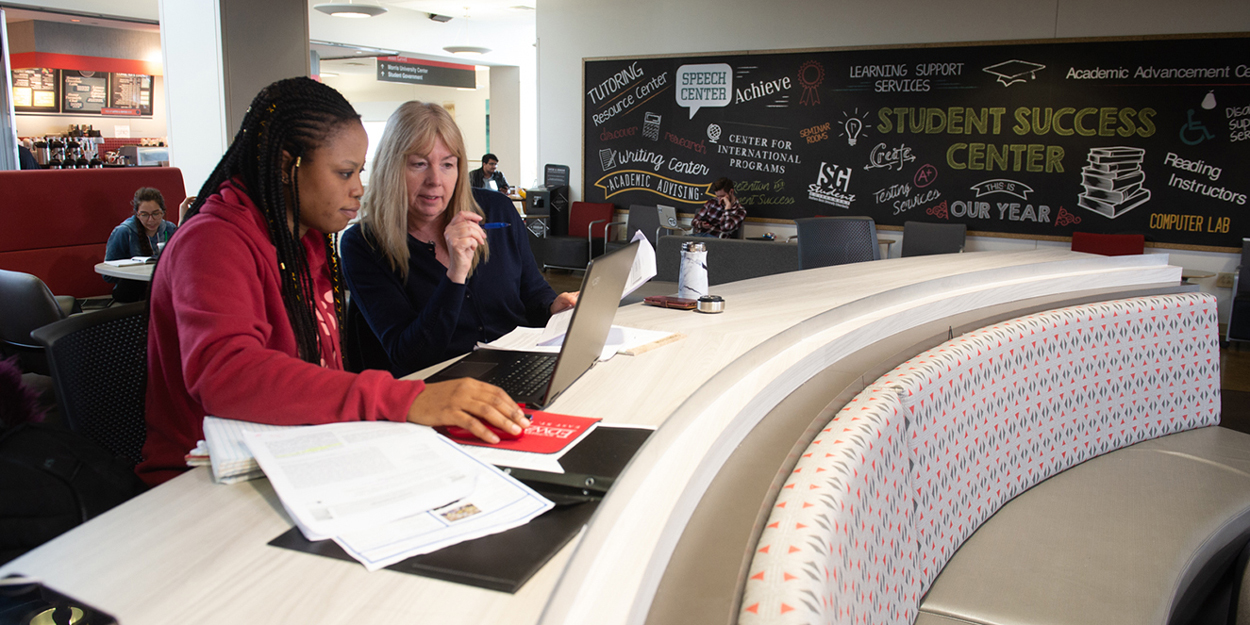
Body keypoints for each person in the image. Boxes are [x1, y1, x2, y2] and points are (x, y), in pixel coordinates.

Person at [137, 78, 529, 487]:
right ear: (289, 166)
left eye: (359, 171)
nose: (358, 188)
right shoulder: (212, 241)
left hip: (300, 450)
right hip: (203, 479)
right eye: (344, 173)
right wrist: (406, 399)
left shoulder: (308, 240)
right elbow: (229, 374)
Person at [341, 102, 576, 377]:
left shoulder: (496, 209)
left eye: (447, 164)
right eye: (419, 164)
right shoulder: (364, 244)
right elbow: (408, 355)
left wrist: (552, 306)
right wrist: (455, 274)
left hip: (518, 369)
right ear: (390, 167)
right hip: (436, 388)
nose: (435, 180)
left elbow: (533, 291)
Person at [103, 187, 179, 302]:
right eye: (144, 215)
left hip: (163, 285)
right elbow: (107, 275)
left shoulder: (170, 229)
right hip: (133, 290)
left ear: (163, 212)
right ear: (137, 215)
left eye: (155, 214)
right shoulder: (124, 232)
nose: (150, 220)